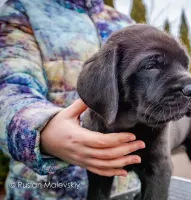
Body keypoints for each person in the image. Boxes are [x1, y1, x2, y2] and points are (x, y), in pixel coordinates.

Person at [0, 0, 145, 199]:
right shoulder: (23, 10)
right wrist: (44, 130)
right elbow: (10, 86)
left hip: (128, 191)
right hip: (47, 192)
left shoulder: (124, 22)